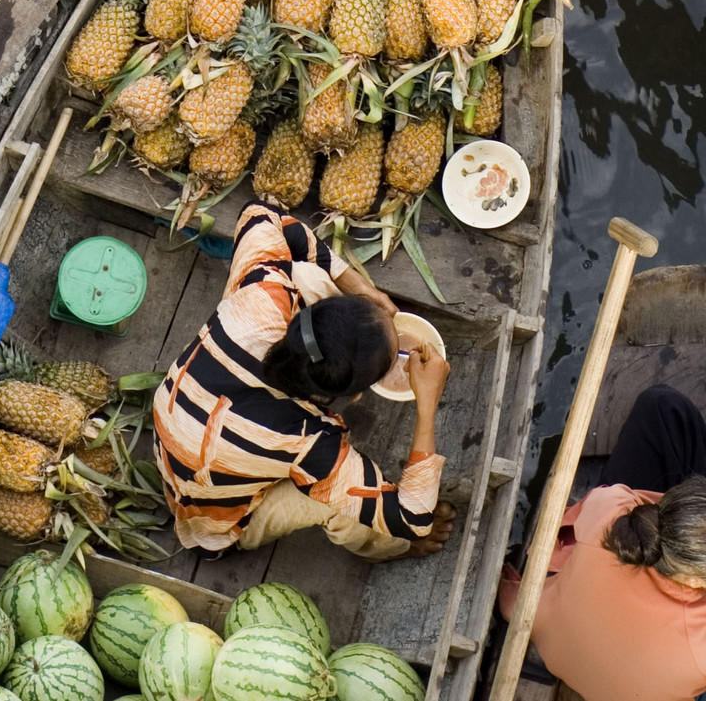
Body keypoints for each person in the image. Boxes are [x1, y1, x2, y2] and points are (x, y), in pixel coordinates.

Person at [154, 203, 454, 560]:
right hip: (212, 521)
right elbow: (412, 516)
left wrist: (359, 289)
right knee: (342, 507)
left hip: (177, 441)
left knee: (306, 276)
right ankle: (391, 550)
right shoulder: (309, 442)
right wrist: (427, 404)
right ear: (356, 395)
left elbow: (258, 213)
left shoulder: (263, 291)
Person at [498, 386, 706, 701]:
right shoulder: (699, 644)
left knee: (661, 406)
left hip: (562, 648)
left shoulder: (610, 511)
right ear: (693, 578)